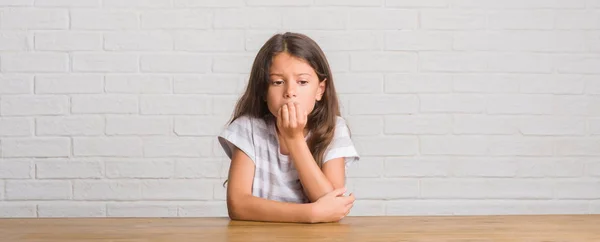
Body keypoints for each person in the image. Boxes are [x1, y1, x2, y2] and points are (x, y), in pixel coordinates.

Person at [217, 32, 360, 223]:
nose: (290, 92)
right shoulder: (247, 128)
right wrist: (310, 213)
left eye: (302, 82)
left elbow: (331, 203)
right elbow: (238, 205)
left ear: (320, 90)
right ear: (263, 91)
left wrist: (294, 139)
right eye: (278, 82)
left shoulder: (334, 128)